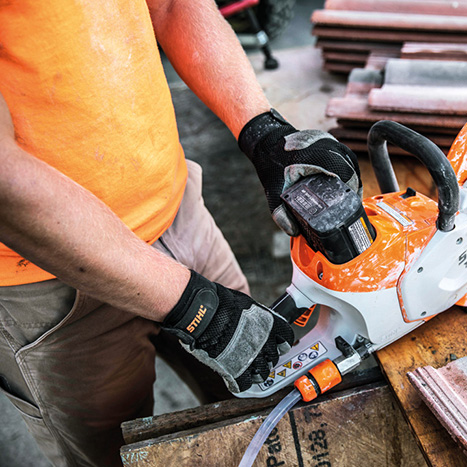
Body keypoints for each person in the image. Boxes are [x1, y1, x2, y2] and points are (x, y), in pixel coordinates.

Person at [0, 0, 361, 465]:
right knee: (119, 455)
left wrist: (262, 131)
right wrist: (195, 307)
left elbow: (172, 5)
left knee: (262, 400)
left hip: (177, 211)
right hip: (47, 275)